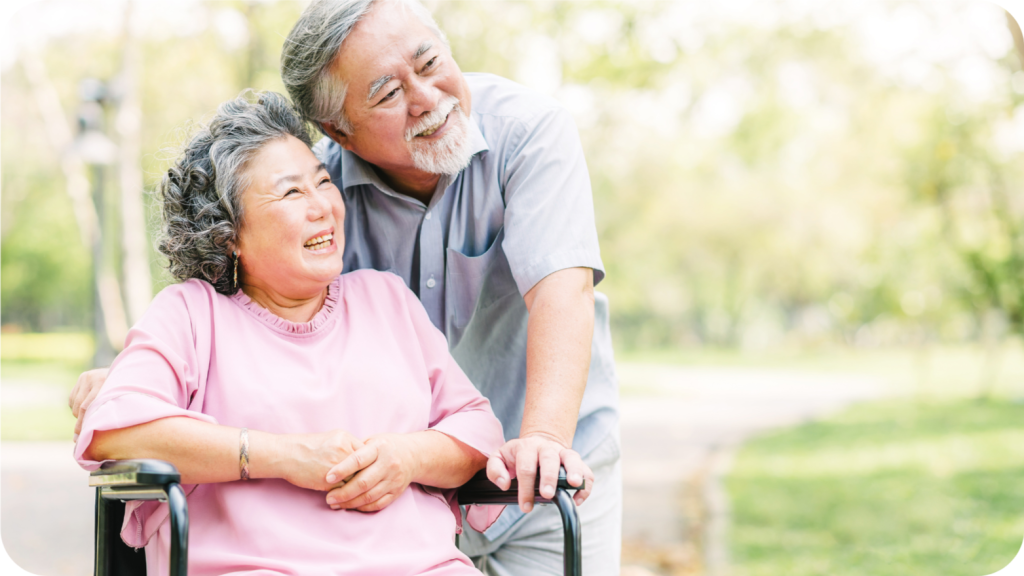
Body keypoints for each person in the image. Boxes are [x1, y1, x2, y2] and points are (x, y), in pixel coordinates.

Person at [70, 0, 622, 573]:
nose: (427, 98)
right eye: (387, 94)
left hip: (536, 458)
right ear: (341, 133)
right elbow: (157, 389)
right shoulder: (223, 283)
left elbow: (560, 295)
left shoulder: (522, 138)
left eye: (430, 62)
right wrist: (141, 382)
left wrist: (527, 440)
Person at [74, 91, 507, 576]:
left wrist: (407, 457)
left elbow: (476, 427)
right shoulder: (191, 314)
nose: (323, 205)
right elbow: (116, 433)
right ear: (228, 234)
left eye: (323, 183)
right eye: (292, 193)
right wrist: (283, 456)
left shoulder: (387, 300)